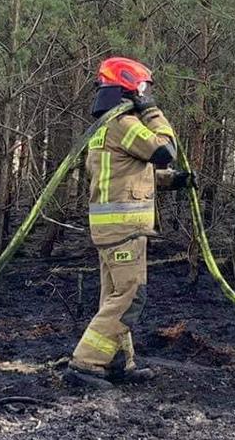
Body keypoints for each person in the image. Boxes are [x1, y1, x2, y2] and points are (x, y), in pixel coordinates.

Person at [63, 55, 190, 388]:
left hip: (111, 228)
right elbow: (165, 150)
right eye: (144, 89)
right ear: (132, 89)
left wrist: (170, 180)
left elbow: (122, 173)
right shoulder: (125, 124)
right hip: (123, 229)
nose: (146, 94)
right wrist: (152, 111)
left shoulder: (105, 128)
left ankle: (118, 361)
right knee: (131, 296)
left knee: (115, 295)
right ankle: (85, 362)